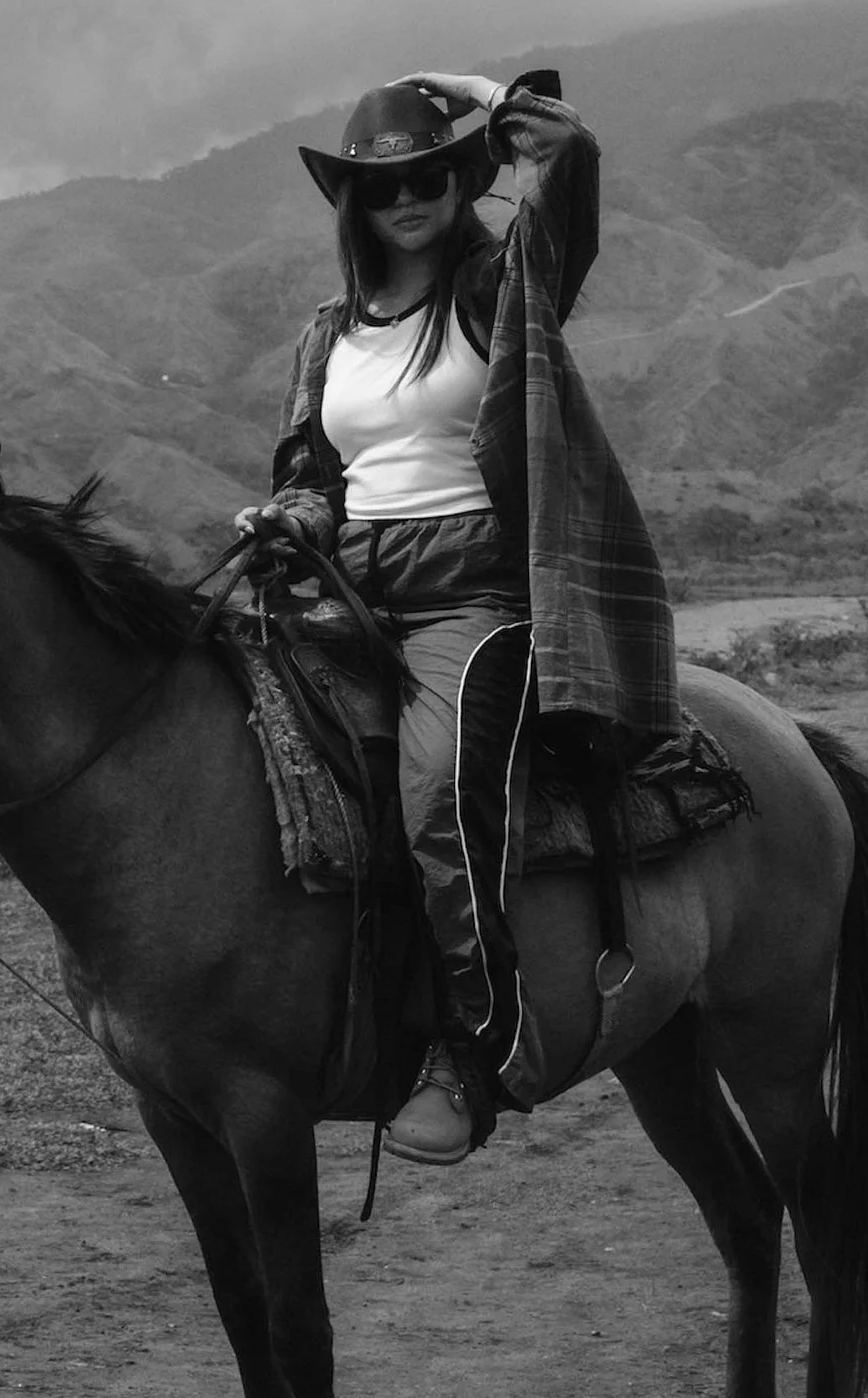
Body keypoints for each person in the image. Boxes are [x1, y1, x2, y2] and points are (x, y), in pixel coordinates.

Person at [237, 69, 680, 1165]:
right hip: (346, 589)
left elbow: (562, 179)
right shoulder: (327, 332)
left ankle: (471, 1048)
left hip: (471, 593)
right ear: (352, 202)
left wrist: (496, 106)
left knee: (435, 785)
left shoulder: (499, 288)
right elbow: (314, 471)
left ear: (460, 176)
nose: (409, 195)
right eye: (382, 182)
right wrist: (291, 513)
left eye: (432, 171)